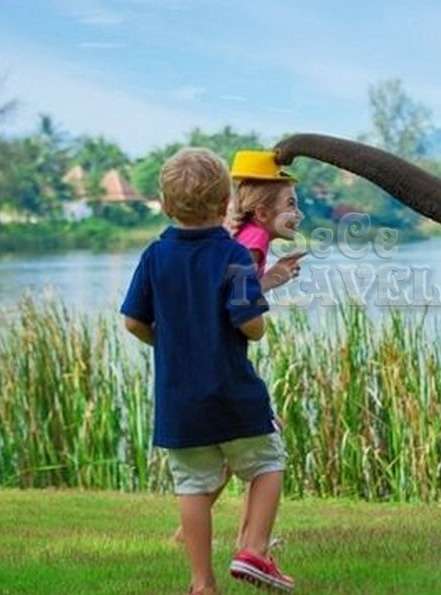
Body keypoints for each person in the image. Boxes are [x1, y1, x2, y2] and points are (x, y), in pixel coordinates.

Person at [120, 147, 294, 595]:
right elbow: (251, 327)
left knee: (193, 485)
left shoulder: (154, 256)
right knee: (267, 463)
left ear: (164, 204)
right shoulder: (232, 256)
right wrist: (259, 310)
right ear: (224, 206)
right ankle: (253, 549)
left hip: (180, 401)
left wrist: (169, 343)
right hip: (233, 392)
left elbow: (133, 321)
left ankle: (201, 583)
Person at [228, 149, 306, 290]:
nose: (300, 214)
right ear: (263, 214)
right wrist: (272, 278)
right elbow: (236, 296)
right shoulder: (256, 237)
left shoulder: (246, 233)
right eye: (291, 204)